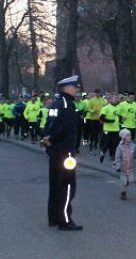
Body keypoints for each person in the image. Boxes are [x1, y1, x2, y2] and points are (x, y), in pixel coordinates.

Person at [41, 75, 83, 231]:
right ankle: (64, 220)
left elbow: (48, 123)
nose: (77, 89)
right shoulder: (67, 104)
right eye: (75, 87)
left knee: (55, 184)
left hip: (54, 150)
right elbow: (66, 127)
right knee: (67, 185)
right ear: (67, 88)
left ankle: (53, 216)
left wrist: (46, 137)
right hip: (65, 151)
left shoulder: (56, 103)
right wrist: (51, 137)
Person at [114, 128, 136, 200]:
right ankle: (123, 193)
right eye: (127, 135)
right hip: (122, 168)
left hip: (130, 167)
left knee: (131, 180)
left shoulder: (133, 146)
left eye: (130, 135)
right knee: (123, 181)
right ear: (123, 137)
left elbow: (135, 154)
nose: (129, 137)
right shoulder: (120, 147)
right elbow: (117, 158)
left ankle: (127, 183)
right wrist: (118, 167)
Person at [99, 94, 122, 163]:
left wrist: (121, 120)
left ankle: (113, 155)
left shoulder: (119, 107)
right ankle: (103, 153)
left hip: (116, 129)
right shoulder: (106, 108)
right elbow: (101, 118)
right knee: (107, 143)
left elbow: (120, 115)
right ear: (110, 100)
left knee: (115, 143)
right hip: (107, 129)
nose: (115, 99)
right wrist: (110, 121)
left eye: (116, 98)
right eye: (113, 98)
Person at [85, 90, 106, 154]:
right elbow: (87, 108)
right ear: (95, 93)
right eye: (97, 93)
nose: (98, 94)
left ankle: (95, 145)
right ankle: (91, 145)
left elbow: (105, 108)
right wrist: (92, 111)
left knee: (98, 133)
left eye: (99, 93)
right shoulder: (92, 100)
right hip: (93, 119)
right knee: (93, 133)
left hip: (100, 119)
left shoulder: (102, 100)